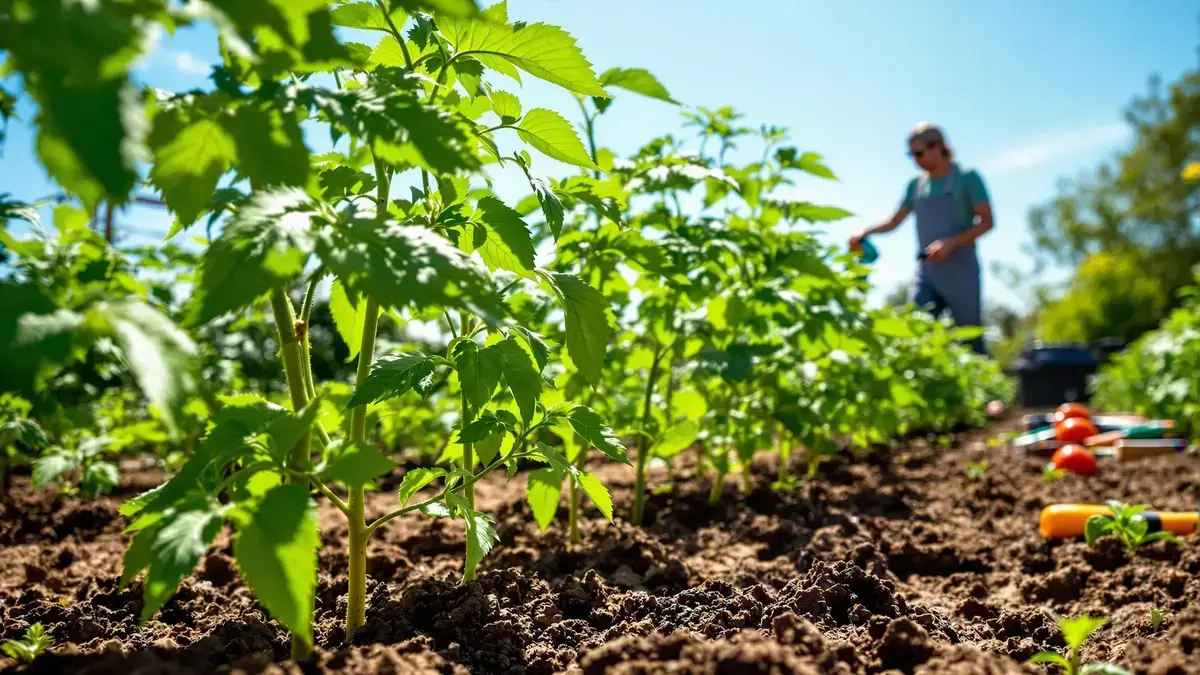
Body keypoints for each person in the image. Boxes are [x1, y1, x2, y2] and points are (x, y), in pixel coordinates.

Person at [850, 122, 994, 354]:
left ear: (937, 146)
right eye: (911, 155)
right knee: (913, 333)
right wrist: (865, 232)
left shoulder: (967, 179)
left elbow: (988, 221)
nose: (915, 160)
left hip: (961, 273)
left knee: (971, 344)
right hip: (927, 273)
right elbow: (894, 221)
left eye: (919, 153)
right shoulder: (915, 187)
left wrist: (952, 243)